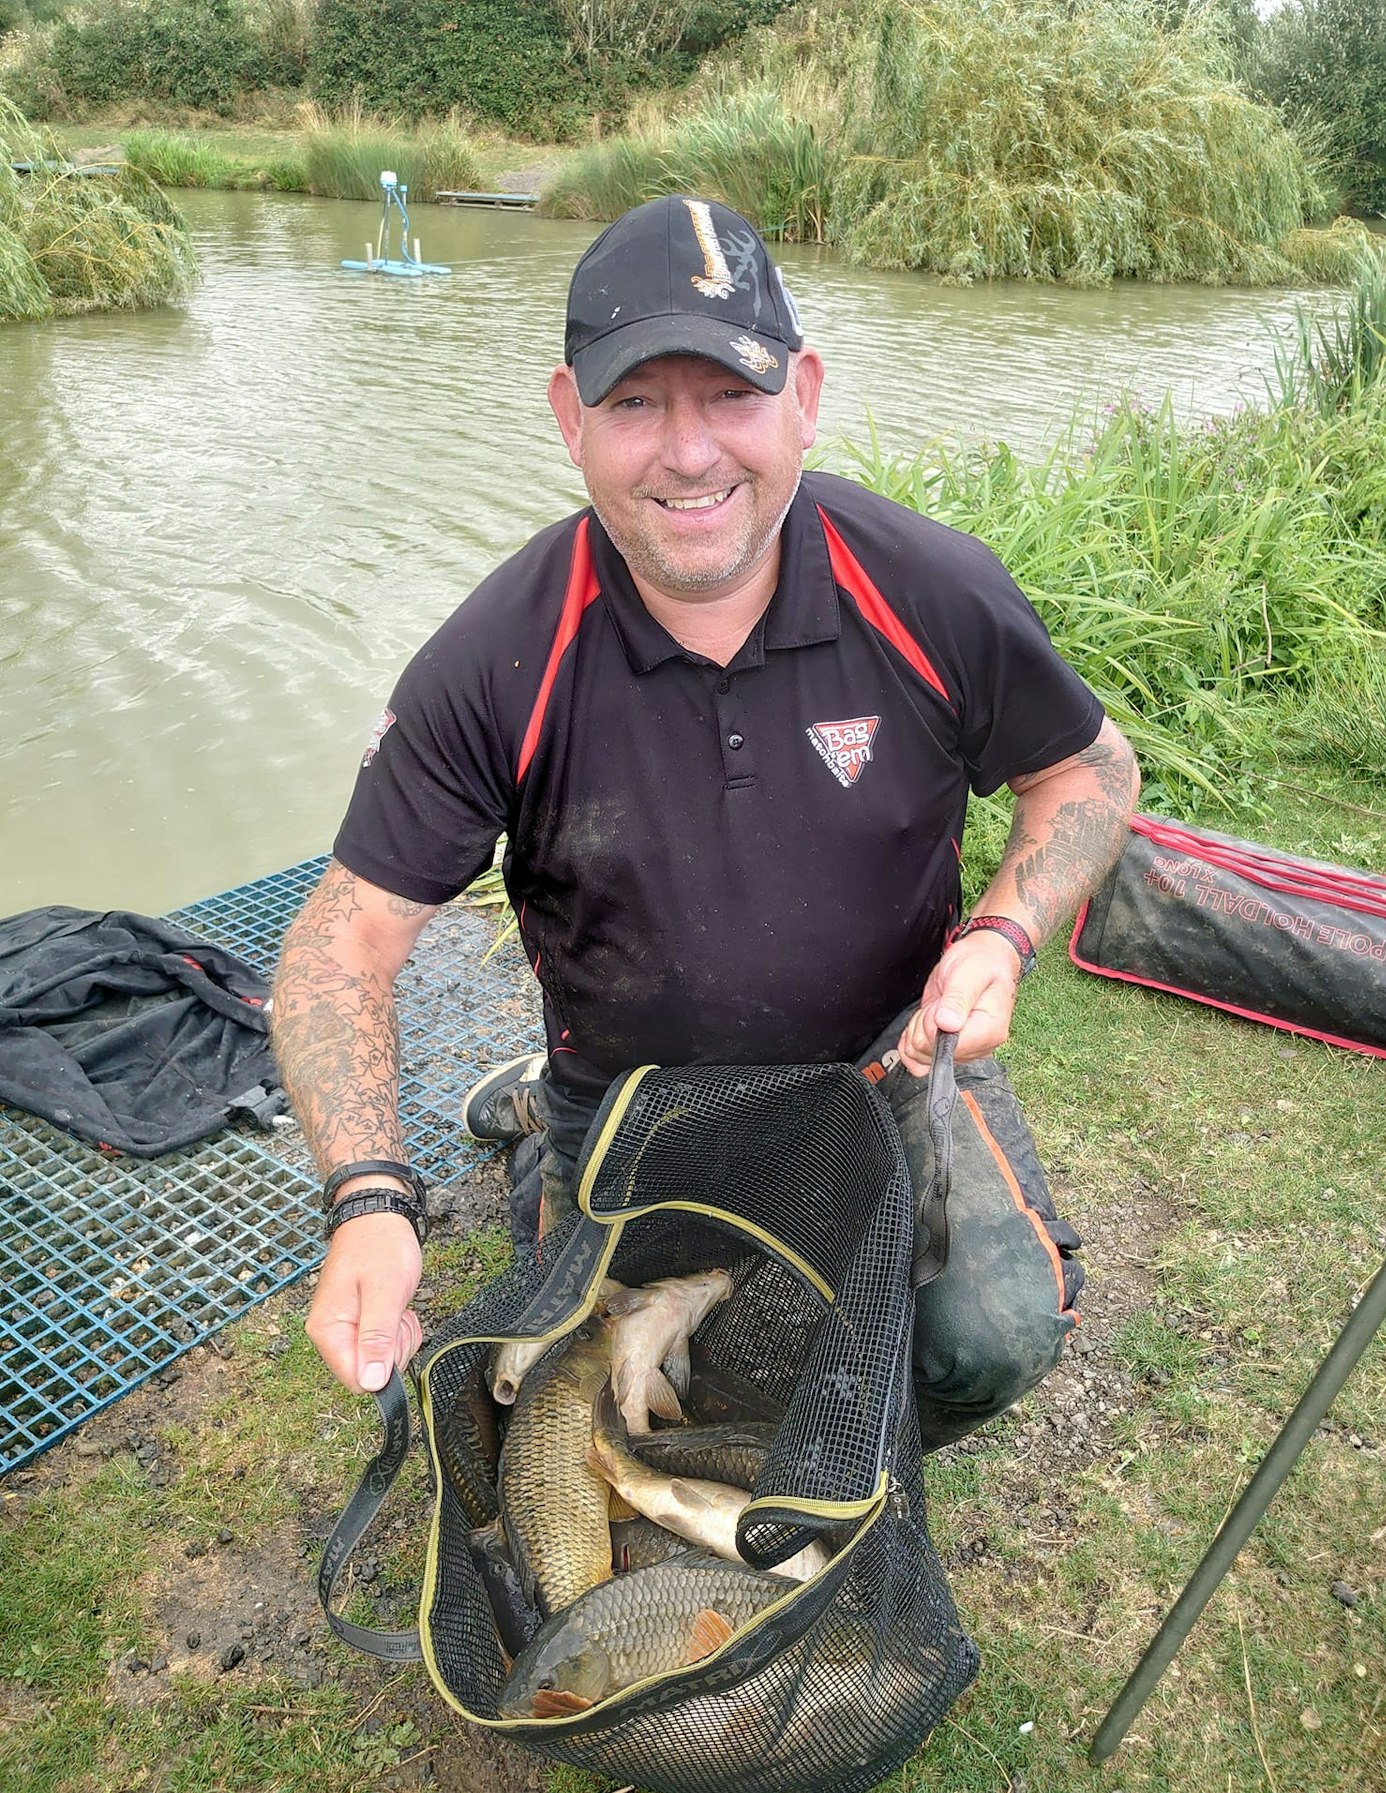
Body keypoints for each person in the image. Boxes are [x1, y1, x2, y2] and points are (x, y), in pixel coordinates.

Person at [271, 194, 1139, 1444]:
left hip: (882, 1070)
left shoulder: (931, 592)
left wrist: (1002, 936)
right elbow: (334, 949)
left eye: (730, 395)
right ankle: (542, 1132)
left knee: (985, 1344)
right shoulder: (494, 660)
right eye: (635, 404)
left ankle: (832, 1456)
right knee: (594, 1399)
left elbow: (1091, 772)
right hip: (632, 1093)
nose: (689, 455)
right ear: (569, 418)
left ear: (804, 396)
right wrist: (365, 1197)